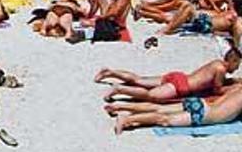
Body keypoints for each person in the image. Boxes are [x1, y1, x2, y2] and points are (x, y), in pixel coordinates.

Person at [96, 47, 241, 102]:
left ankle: (110, 72)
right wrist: (234, 87)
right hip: (181, 86)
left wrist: (233, 80)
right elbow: (217, 90)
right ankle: (119, 89)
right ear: (232, 60)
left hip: (179, 77)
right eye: (238, 64)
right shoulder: (221, 70)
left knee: (139, 79)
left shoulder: (217, 63)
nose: (238, 67)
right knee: (150, 96)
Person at [107, 84, 242, 134]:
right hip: (206, 114)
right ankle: (127, 119)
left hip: (202, 103)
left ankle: (121, 106)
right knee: (164, 119)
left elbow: (222, 91)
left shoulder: (239, 87)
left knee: (160, 109)